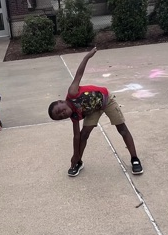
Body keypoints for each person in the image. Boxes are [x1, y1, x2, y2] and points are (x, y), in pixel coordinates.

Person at [47, 48, 143, 177]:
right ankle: (78, 162)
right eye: (60, 117)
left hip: (106, 100)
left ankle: (135, 159)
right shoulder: (74, 116)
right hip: (93, 110)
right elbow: (76, 137)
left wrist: (87, 57)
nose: (62, 114)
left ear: (61, 101)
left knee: (122, 129)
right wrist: (75, 155)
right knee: (83, 135)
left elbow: (79, 74)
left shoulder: (72, 92)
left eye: (60, 110)